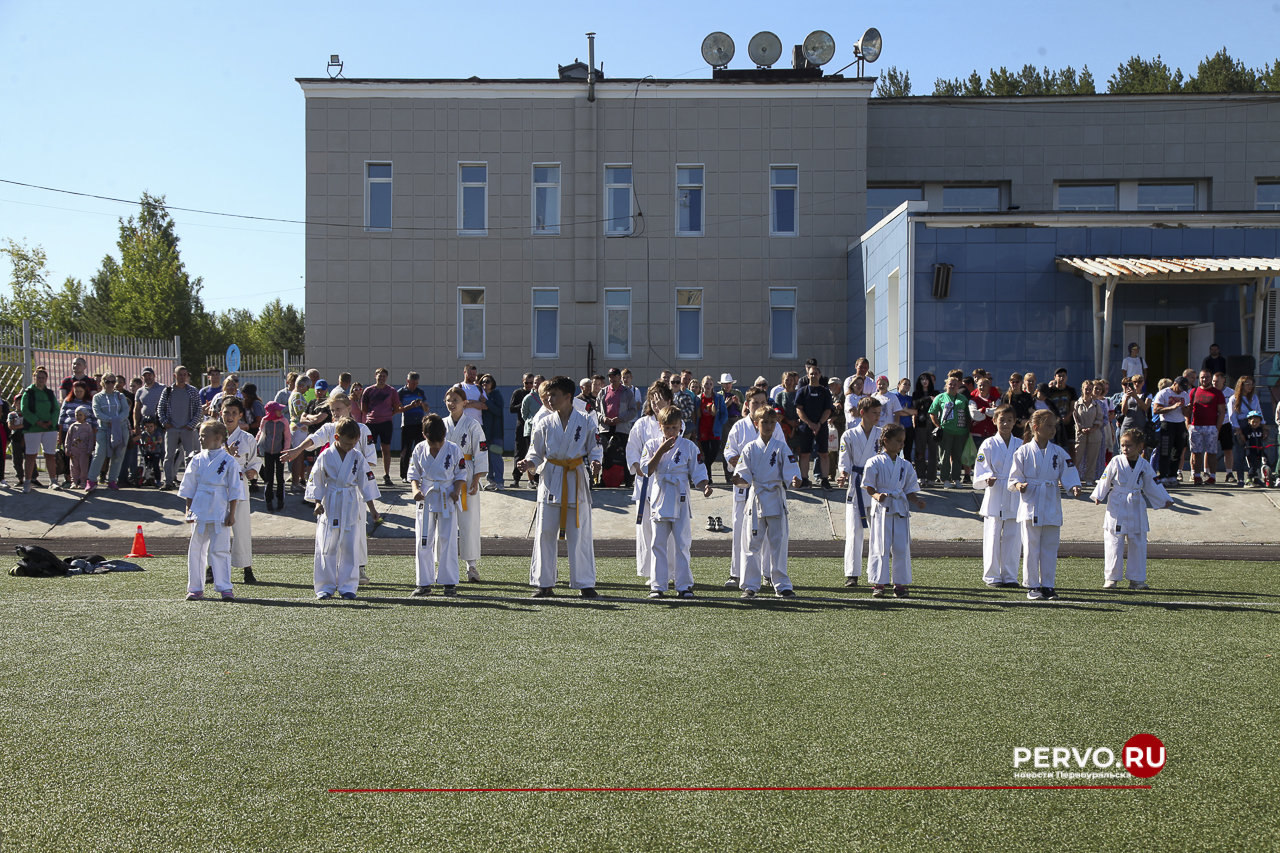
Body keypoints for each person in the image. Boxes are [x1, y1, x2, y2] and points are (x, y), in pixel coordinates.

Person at [517, 376, 603, 598]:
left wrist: (596, 462)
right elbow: (535, 452)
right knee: (545, 532)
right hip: (551, 479)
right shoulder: (544, 422)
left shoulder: (586, 421)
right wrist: (529, 463)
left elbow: (595, 448)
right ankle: (544, 583)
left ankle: (584, 583)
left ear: (568, 397)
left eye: (554, 395)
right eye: (547, 395)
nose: (549, 399)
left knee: (580, 532)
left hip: (575, 478)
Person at [288, 391, 378, 581]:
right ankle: (335, 569)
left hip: (354, 488)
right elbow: (313, 439)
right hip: (334, 489)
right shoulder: (330, 428)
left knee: (357, 529)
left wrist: (356, 475)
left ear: (349, 408)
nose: (335, 413)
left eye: (338, 409)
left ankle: (359, 567)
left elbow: (369, 459)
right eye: (332, 410)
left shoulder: (362, 429)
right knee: (332, 530)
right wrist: (297, 450)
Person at [1008, 409, 1083, 601]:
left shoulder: (1058, 452)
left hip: (1050, 500)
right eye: (1049, 425)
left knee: (1050, 546)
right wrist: (1019, 485)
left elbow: (1069, 472)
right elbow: (1013, 478)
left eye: (1054, 426)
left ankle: (1048, 585)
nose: (1053, 429)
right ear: (1036, 427)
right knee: (1032, 546)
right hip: (1031, 501)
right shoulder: (1023, 451)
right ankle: (1033, 585)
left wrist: (1073, 486)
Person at [640, 405, 713, 598]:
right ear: (660, 426)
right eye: (667, 427)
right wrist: (661, 451)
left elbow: (698, 471)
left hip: (680, 497)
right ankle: (657, 586)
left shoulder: (689, 446)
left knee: (682, 543)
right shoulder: (651, 445)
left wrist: (704, 485)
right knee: (658, 543)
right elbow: (646, 470)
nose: (671, 431)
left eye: (674, 427)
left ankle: (684, 586)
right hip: (660, 496)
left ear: (681, 426)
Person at [733, 404, 802, 600]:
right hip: (757, 498)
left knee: (778, 543)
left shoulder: (781, 447)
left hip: (775, 497)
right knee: (752, 543)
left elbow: (792, 472)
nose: (769, 426)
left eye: (773, 422)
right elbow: (743, 476)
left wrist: (795, 480)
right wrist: (739, 480)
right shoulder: (749, 448)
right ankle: (750, 585)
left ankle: (781, 585)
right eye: (765, 422)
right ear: (756, 424)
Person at [1090, 428, 1173, 591]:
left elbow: (1152, 482)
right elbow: (1105, 478)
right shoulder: (1116, 461)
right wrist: (1099, 495)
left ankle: (1137, 579)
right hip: (1117, 504)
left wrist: (1164, 499)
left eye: (1129, 446)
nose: (1124, 449)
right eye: (1122, 445)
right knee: (1113, 541)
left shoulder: (1144, 465)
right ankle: (1111, 578)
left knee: (1138, 542)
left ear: (1140, 446)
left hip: (1136, 503)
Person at [309, 418, 381, 600]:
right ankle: (325, 587)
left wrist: (372, 508)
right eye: (348, 443)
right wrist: (317, 502)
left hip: (350, 501)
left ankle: (348, 586)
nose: (351, 446)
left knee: (349, 546)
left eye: (354, 443)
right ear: (336, 437)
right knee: (327, 545)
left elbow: (366, 483)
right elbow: (317, 479)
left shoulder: (357, 456)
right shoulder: (325, 456)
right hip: (330, 501)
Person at [180, 419, 246, 601]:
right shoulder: (197, 459)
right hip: (200, 507)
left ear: (217, 437)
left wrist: (232, 514)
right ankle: (195, 587)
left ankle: (225, 587)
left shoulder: (229, 461)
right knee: (196, 549)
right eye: (200, 436)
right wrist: (188, 510)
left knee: (221, 549)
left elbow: (235, 489)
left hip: (219, 508)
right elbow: (189, 486)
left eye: (204, 436)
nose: (200, 439)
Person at [863, 423, 927, 598]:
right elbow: (868, 486)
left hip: (900, 508)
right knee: (880, 546)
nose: (901, 445)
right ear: (886, 441)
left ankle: (899, 584)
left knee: (901, 547)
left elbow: (909, 490)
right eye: (898, 441)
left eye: (903, 442)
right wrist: (876, 496)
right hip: (881, 508)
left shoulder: (905, 464)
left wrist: (916, 501)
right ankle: (879, 584)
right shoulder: (874, 462)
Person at [408, 413, 466, 596]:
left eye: (440, 441)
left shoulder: (454, 449)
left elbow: (461, 473)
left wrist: (456, 491)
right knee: (424, 540)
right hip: (426, 496)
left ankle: (449, 582)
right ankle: (424, 583)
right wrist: (415, 490)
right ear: (424, 436)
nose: (437, 445)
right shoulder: (418, 449)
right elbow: (413, 474)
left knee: (448, 539)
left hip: (447, 495)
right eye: (433, 442)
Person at [626, 380, 677, 585]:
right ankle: (652, 572)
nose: (655, 404)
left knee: (670, 532)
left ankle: (672, 572)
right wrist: (636, 465)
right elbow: (632, 449)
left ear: (669, 400)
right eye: (652, 400)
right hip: (646, 483)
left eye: (659, 400)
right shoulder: (642, 424)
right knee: (647, 530)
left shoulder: (675, 423)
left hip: (668, 486)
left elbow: (680, 449)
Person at [722, 387, 769, 588]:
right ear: (747, 405)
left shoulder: (772, 426)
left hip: (766, 486)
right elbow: (728, 450)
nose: (759, 406)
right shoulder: (739, 426)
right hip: (742, 483)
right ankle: (737, 573)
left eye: (762, 402)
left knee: (766, 531)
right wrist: (732, 458)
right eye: (755, 403)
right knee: (740, 526)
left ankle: (767, 573)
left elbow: (782, 452)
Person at [973, 406, 1023, 589]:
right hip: (995, 491)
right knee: (992, 536)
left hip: (1014, 492)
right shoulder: (988, 444)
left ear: (1015, 422)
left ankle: (1010, 576)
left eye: (1010, 420)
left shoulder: (1020, 444)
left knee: (1013, 536)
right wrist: (986, 479)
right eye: (1002, 420)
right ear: (994, 421)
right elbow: (980, 468)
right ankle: (992, 576)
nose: (1006, 423)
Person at [443, 385, 489, 582]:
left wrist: (477, 478)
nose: (451, 403)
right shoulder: (440, 424)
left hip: (468, 472)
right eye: (449, 400)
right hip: (445, 473)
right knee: (445, 522)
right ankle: (444, 564)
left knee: (469, 521)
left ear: (464, 403)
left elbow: (481, 451)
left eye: (455, 400)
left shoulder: (472, 425)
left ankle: (472, 566)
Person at [836, 396, 882, 588]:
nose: (878, 417)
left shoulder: (882, 434)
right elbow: (844, 458)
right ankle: (852, 574)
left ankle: (877, 574)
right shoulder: (848, 435)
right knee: (854, 531)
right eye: (874, 413)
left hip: (877, 486)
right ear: (862, 413)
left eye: (880, 413)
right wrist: (843, 474)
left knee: (877, 532)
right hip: (856, 484)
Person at [220, 398, 261, 584]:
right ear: (220, 412)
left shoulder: (247, 438)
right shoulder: (213, 435)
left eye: (234, 413)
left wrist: (254, 471)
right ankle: (212, 567)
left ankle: (247, 568)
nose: (230, 417)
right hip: (217, 486)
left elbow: (254, 460)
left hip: (239, 483)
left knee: (242, 527)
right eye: (226, 412)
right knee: (216, 527)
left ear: (240, 415)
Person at [792, 363, 834, 490]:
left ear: (819, 375)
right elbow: (799, 410)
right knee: (804, 454)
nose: (814, 375)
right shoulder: (802, 391)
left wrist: (819, 424)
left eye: (816, 373)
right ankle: (804, 479)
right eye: (811, 373)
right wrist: (810, 424)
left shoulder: (825, 391)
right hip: (806, 427)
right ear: (808, 375)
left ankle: (825, 480)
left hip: (822, 426)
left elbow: (828, 410)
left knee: (824, 453)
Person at [597, 367, 639, 488]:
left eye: (614, 376)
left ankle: (628, 480)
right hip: (605, 428)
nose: (612, 378)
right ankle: (604, 479)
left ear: (619, 377)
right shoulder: (603, 392)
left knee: (626, 454)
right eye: (610, 376)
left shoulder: (627, 392)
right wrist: (602, 418)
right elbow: (597, 410)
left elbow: (633, 411)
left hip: (622, 428)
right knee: (604, 454)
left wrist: (620, 418)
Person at [86, 374, 130, 491]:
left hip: (120, 429)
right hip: (104, 429)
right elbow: (97, 413)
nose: (110, 384)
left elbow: (126, 411)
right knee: (99, 453)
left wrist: (116, 421)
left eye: (112, 381)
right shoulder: (97, 397)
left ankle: (112, 480)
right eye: (107, 381)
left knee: (118, 455)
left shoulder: (120, 396)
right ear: (103, 383)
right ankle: (91, 480)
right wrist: (109, 420)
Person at [19, 367, 59, 493]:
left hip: (49, 429)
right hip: (33, 429)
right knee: (31, 455)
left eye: (43, 377)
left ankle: (53, 481)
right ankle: (27, 482)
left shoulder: (50, 393)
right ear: (34, 378)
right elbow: (25, 410)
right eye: (38, 377)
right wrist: (37, 422)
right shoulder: (28, 392)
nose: (41, 380)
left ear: (46, 379)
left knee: (50, 455)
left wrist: (51, 421)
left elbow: (56, 409)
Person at [929, 370, 971, 489]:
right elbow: (932, 412)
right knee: (945, 455)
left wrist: (968, 430)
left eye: (954, 384)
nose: (952, 386)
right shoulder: (940, 397)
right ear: (946, 385)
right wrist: (938, 426)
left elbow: (968, 416)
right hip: (946, 431)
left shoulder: (963, 398)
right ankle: (945, 479)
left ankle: (957, 478)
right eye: (950, 384)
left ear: (958, 386)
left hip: (961, 432)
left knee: (958, 456)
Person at [1187, 369, 1226, 485]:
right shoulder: (1193, 391)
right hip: (1196, 427)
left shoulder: (1217, 393)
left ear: (1211, 378)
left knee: (1211, 452)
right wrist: (1188, 424)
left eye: (1207, 377)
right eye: (1202, 377)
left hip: (1211, 427)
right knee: (1196, 452)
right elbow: (1188, 409)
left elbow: (1222, 412)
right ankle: (1197, 476)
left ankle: (1212, 476)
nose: (1205, 379)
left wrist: (1217, 428)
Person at [361, 368, 398, 485]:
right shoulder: (368, 390)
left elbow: (396, 408)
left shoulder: (391, 391)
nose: (381, 378)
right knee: (369, 449)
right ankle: (366, 474)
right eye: (379, 376)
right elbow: (363, 408)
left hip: (386, 423)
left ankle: (387, 475)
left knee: (385, 449)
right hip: (371, 424)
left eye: (384, 376)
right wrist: (373, 416)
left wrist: (386, 415)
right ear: (375, 376)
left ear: (386, 377)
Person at [58, 381, 97, 488]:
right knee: (70, 458)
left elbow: (94, 420)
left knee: (85, 459)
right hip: (69, 432)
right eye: (76, 391)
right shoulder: (68, 401)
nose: (78, 393)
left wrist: (94, 436)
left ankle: (85, 480)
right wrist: (60, 434)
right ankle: (71, 479)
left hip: (85, 434)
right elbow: (61, 418)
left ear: (85, 391)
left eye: (81, 391)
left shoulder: (89, 402)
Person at [256, 402, 291, 511]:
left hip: (280, 453)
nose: (280, 411)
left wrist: (286, 450)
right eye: (277, 410)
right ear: (271, 411)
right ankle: (269, 501)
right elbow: (260, 433)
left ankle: (280, 500)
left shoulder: (284, 422)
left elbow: (287, 437)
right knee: (269, 478)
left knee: (280, 478)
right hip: (268, 452)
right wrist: (255, 445)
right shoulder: (265, 421)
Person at [1229, 376, 1263, 485]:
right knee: (1240, 453)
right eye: (1248, 384)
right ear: (1241, 385)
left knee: (1256, 452)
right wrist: (1238, 430)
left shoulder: (1254, 398)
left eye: (1251, 384)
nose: (1250, 386)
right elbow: (1232, 416)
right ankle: (1241, 479)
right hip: (1241, 425)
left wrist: (1263, 426)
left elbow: (1259, 411)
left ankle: (1255, 477)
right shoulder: (1234, 398)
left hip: (1254, 425)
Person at [1072, 380, 1106, 488]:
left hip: (1094, 433)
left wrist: (1093, 428)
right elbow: (1075, 418)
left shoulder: (1096, 405)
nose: (1088, 391)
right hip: (1080, 434)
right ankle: (1073, 478)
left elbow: (1100, 418)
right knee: (1077, 457)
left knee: (1092, 458)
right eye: (1086, 389)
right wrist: (1081, 428)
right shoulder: (1077, 403)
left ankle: (1089, 479)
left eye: (1090, 389)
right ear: (1082, 389)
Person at [397, 372, 429, 483]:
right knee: (406, 450)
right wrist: (410, 406)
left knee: (420, 449)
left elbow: (427, 409)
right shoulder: (401, 392)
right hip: (407, 424)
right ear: (408, 381)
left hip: (419, 424)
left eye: (416, 384)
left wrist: (421, 405)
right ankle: (404, 475)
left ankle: (419, 473)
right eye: (412, 383)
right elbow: (398, 409)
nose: (414, 386)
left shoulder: (420, 392)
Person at [518, 374, 547, 488]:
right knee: (531, 454)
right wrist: (532, 421)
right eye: (535, 383)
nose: (535, 385)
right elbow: (524, 415)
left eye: (538, 383)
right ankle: (531, 481)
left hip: (545, 430)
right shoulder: (529, 397)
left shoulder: (549, 398)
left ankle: (540, 478)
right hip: (531, 430)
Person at [286, 375, 314, 492]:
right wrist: (312, 416)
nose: (308, 389)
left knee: (299, 455)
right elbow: (300, 413)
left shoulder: (295, 394)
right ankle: (295, 483)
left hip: (299, 428)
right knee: (297, 455)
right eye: (307, 387)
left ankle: (297, 482)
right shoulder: (297, 395)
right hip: (299, 428)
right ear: (301, 385)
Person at [510, 373, 536, 487]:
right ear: (523, 382)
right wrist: (524, 403)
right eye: (527, 383)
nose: (529, 385)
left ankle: (534, 479)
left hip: (533, 427)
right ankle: (516, 478)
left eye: (531, 383)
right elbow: (511, 408)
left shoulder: (536, 394)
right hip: (521, 425)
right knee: (519, 452)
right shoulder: (518, 393)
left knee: (534, 453)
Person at [912, 373, 938, 484]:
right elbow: (915, 404)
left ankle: (931, 477)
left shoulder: (936, 393)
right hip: (920, 425)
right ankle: (920, 476)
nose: (925, 381)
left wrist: (923, 403)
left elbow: (937, 405)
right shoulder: (916, 393)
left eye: (927, 379)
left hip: (933, 425)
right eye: (922, 379)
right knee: (920, 451)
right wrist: (928, 399)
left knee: (933, 451)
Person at [480, 374, 505, 490]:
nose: (485, 384)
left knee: (496, 457)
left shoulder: (496, 395)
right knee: (488, 458)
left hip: (496, 433)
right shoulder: (480, 395)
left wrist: (487, 402)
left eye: (487, 381)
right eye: (483, 382)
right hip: (485, 432)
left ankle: (500, 482)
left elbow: (498, 411)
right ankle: (492, 480)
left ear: (492, 383)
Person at [1045, 368, 1079, 449]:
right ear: (1055, 377)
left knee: (1071, 447)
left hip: (1068, 424)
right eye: (1059, 376)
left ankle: (1070, 462)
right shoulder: (1050, 391)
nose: (1061, 378)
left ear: (1066, 377)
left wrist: (1064, 418)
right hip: (1054, 424)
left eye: (1063, 376)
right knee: (1054, 446)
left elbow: (1072, 407)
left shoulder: (1071, 390)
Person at [64, 408, 95, 489]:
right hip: (73, 451)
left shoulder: (88, 427)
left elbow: (90, 439)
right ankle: (74, 481)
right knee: (74, 467)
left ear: (85, 416)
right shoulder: (73, 426)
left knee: (83, 467)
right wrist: (67, 447)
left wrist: (89, 449)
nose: (78, 416)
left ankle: (83, 481)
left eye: (80, 415)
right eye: (77, 415)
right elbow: (68, 438)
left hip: (84, 452)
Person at [1240, 411, 1268, 487]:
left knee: (1265, 461)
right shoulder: (1246, 430)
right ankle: (1249, 478)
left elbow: (1264, 438)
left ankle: (1258, 479)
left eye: (1257, 422)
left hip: (1260, 449)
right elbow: (1243, 439)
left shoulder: (1260, 429)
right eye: (1253, 422)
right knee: (1254, 464)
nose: (1255, 424)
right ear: (1249, 421)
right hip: (1250, 450)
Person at [138, 417, 164, 487]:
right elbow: (138, 437)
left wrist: (158, 442)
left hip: (155, 452)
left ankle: (158, 480)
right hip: (147, 452)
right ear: (144, 427)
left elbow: (160, 439)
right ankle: (145, 478)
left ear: (155, 427)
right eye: (147, 426)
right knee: (146, 466)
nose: (149, 428)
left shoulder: (157, 433)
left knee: (156, 466)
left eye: (151, 426)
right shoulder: (144, 433)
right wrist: (131, 440)